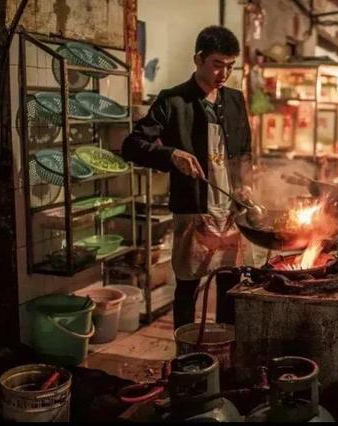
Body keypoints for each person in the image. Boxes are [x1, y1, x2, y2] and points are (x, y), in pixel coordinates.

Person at [122, 26, 253, 331]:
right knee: (187, 288)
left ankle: (223, 348)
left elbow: (245, 149)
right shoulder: (173, 100)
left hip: (231, 211)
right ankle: (185, 354)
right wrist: (170, 155)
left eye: (230, 66)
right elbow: (132, 145)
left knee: (229, 285)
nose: (224, 73)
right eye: (217, 64)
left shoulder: (235, 100)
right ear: (198, 59)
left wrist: (245, 181)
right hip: (193, 211)